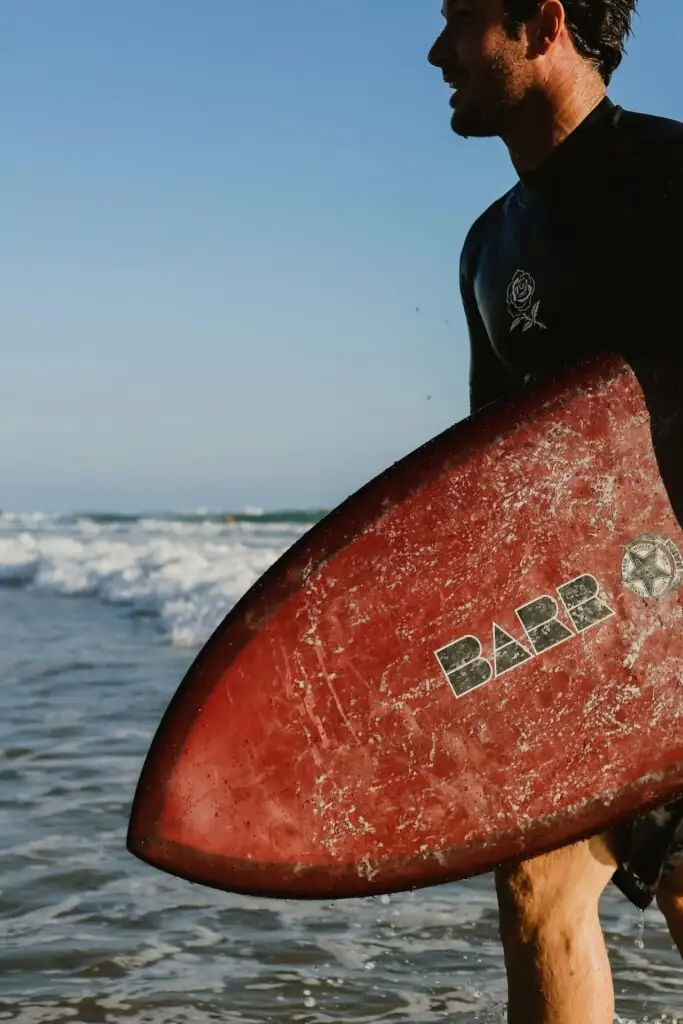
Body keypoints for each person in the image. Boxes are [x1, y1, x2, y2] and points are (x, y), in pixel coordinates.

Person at [427, 1, 683, 1021]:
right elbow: (497, 483)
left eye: (460, 21)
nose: (439, 51)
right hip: (576, 632)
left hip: (677, 625)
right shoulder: (487, 245)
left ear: (543, 23)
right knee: (535, 894)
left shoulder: (669, 178)